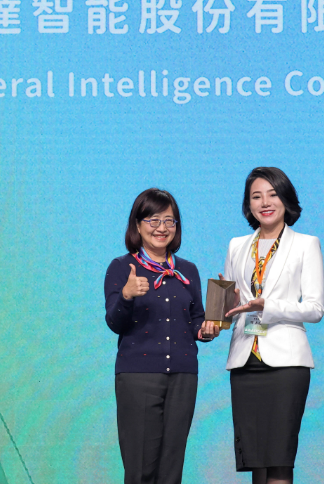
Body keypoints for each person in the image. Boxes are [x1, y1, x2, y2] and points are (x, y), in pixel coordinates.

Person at [219, 167, 324, 484]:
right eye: (256, 196)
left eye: (272, 194)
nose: (265, 202)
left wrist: (268, 306)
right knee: (256, 462)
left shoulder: (306, 244)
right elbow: (231, 307)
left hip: (286, 366)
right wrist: (220, 311)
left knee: (279, 460)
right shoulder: (237, 245)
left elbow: (315, 309)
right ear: (248, 204)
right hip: (244, 362)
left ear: (285, 199)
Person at [104, 188, 216, 484]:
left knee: (171, 469)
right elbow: (114, 322)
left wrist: (206, 330)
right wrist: (126, 295)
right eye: (153, 220)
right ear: (137, 225)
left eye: (169, 221)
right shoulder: (122, 267)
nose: (162, 228)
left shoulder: (188, 270)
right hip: (138, 376)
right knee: (141, 469)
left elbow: (195, 319)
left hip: (183, 376)